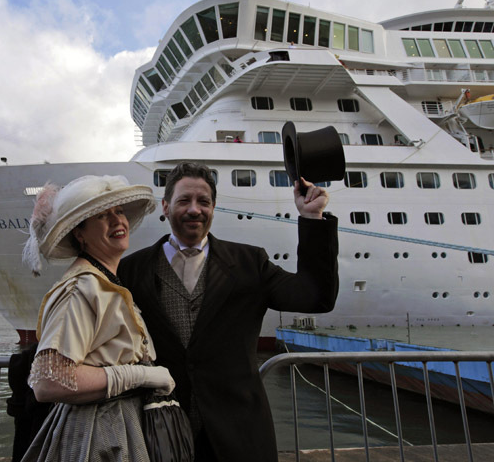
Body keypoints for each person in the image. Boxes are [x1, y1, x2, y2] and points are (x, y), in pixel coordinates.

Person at [118, 162, 339, 462]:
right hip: (159, 434)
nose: (195, 209)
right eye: (184, 200)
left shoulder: (251, 263)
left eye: (204, 201)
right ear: (166, 207)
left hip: (239, 432)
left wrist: (312, 217)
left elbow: (316, 297)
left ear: (213, 207)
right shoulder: (131, 271)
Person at [20, 175, 177, 462]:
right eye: (102, 216)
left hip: (118, 429)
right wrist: (139, 375)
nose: (117, 221)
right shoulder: (82, 288)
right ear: (80, 234)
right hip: (98, 438)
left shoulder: (103, 280)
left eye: (118, 211)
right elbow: (47, 383)